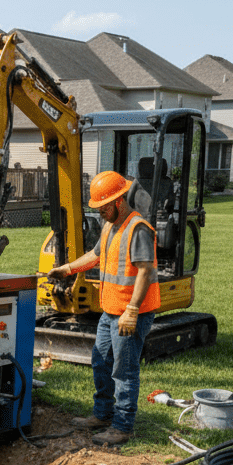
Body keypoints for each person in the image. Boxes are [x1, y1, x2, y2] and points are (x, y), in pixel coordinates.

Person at [48, 170, 160, 445]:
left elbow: (146, 271)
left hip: (129, 313)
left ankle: (122, 426)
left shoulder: (139, 228)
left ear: (118, 201)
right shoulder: (110, 226)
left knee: (124, 371)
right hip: (110, 311)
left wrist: (132, 310)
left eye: (103, 207)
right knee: (100, 361)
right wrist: (68, 269)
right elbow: (96, 255)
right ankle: (102, 414)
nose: (100, 213)